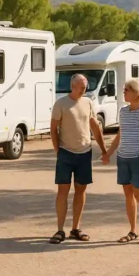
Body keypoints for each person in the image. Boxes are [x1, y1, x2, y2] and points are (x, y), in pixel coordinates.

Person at [49, 73, 109, 244]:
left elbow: (95, 127)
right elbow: (53, 129)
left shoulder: (88, 102)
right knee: (63, 191)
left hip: (85, 152)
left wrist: (104, 150)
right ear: (73, 86)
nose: (85, 90)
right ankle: (60, 230)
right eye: (82, 87)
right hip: (66, 153)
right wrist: (57, 150)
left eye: (85, 87)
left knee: (81, 190)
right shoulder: (60, 104)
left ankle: (75, 228)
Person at [106, 79, 139, 245]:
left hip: (138, 160)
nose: (124, 92)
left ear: (137, 93)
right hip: (123, 158)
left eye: (127, 89)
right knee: (128, 194)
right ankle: (133, 231)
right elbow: (120, 135)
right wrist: (109, 153)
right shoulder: (123, 111)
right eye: (124, 89)